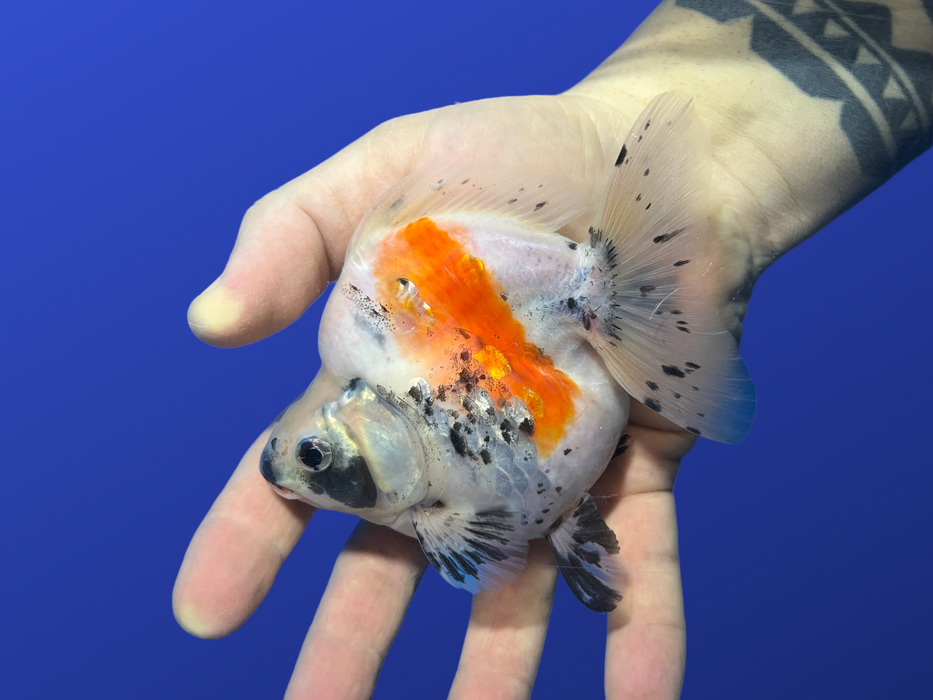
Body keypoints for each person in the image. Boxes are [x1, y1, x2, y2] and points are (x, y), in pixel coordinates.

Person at [173, 1, 933, 697]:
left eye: (315, 458)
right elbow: (487, 551)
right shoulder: (392, 409)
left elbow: (482, 552)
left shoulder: (366, 334)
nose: (318, 466)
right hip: (561, 421)